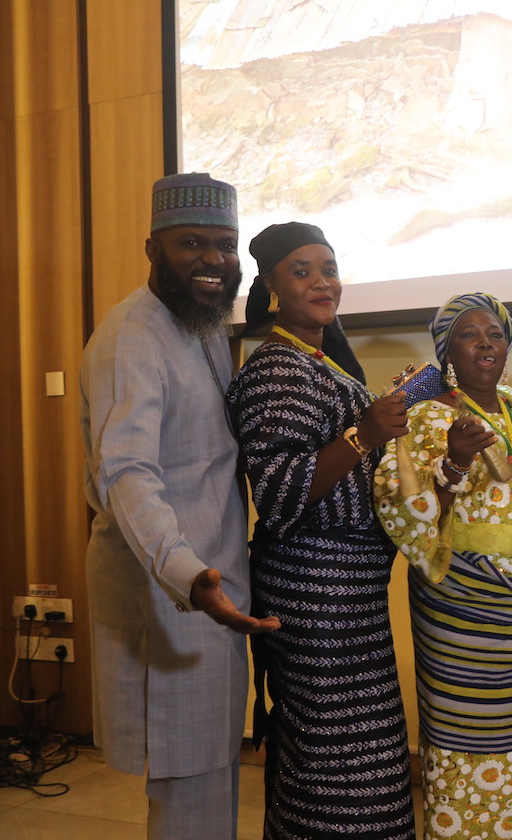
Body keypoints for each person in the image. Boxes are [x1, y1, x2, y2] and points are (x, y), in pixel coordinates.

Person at [80, 172, 281, 840]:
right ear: (152, 248)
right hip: (174, 595)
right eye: (192, 243)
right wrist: (188, 574)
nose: (213, 261)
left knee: (214, 776)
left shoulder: (199, 328)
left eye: (225, 247)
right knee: (188, 794)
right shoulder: (132, 336)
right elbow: (126, 472)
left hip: (216, 592)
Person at [373, 292, 512, 840]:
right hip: (465, 621)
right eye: (471, 335)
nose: (486, 344)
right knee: (471, 748)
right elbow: (406, 513)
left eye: (495, 334)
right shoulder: (423, 418)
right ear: (448, 349)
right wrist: (456, 460)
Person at [226, 222, 414, 839]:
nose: (321, 282)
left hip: (349, 601)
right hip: (313, 599)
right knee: (334, 768)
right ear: (273, 285)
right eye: (302, 271)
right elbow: (281, 495)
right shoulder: (276, 369)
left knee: (365, 763)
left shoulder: (320, 360)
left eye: (328, 268)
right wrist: (367, 433)